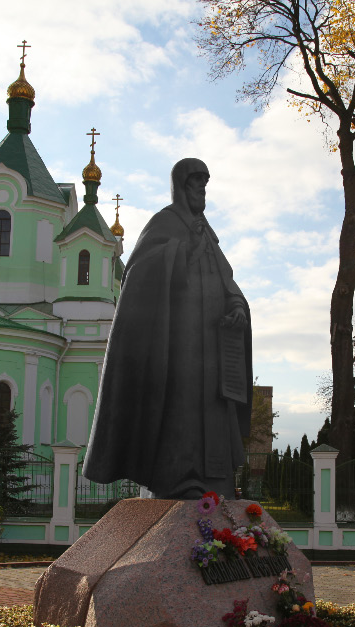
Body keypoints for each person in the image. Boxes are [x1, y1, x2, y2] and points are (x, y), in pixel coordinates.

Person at [83, 158, 252, 499]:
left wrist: (236, 306)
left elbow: (227, 280)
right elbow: (138, 273)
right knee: (182, 404)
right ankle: (179, 477)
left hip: (212, 347)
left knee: (213, 408)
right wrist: (183, 250)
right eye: (195, 184)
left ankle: (215, 480)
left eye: (205, 185)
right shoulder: (165, 224)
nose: (201, 191)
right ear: (180, 187)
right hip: (177, 344)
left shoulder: (208, 233)